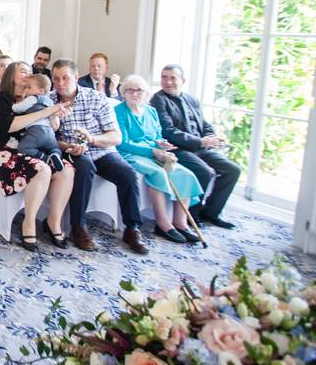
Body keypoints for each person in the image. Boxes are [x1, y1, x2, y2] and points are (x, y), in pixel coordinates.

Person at [51, 58, 148, 254]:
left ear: (76, 78)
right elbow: (49, 139)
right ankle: (78, 227)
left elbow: (116, 137)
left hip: (100, 149)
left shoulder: (96, 98)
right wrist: (69, 146)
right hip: (71, 151)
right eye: (56, 79)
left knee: (127, 173)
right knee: (84, 167)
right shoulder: (49, 101)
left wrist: (93, 139)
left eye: (65, 78)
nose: (60, 83)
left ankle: (132, 228)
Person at [0, 62, 74, 251]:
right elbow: (10, 126)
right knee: (42, 169)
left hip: (31, 149)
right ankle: (29, 222)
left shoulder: (39, 98)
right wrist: (46, 111)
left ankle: (53, 222)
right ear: (11, 75)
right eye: (23, 71)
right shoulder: (2, 100)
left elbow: (53, 127)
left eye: (29, 72)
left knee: (67, 170)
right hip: (3, 152)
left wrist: (55, 115)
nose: (28, 74)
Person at [114, 75, 203, 244]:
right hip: (131, 154)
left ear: (145, 93)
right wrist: (153, 151)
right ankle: (163, 224)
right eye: (129, 90)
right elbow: (123, 143)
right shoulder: (119, 111)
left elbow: (157, 135)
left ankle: (180, 223)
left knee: (184, 173)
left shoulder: (151, 111)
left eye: (138, 90)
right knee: (158, 173)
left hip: (156, 152)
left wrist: (162, 144)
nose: (134, 94)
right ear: (124, 93)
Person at [149, 64, 240, 229]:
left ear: (182, 81)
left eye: (172, 78)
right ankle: (191, 214)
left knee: (232, 170)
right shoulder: (158, 100)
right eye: (164, 77)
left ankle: (211, 212)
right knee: (204, 171)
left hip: (201, 147)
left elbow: (204, 123)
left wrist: (210, 137)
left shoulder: (192, 99)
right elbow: (168, 131)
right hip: (178, 149)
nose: (167, 82)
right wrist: (200, 142)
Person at [11, 74, 63, 167]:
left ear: (41, 91)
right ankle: (55, 155)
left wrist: (15, 104)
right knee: (55, 148)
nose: (26, 90)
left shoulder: (34, 98)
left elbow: (17, 108)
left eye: (29, 87)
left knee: (23, 148)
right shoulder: (50, 101)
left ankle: (45, 158)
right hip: (50, 133)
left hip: (36, 132)